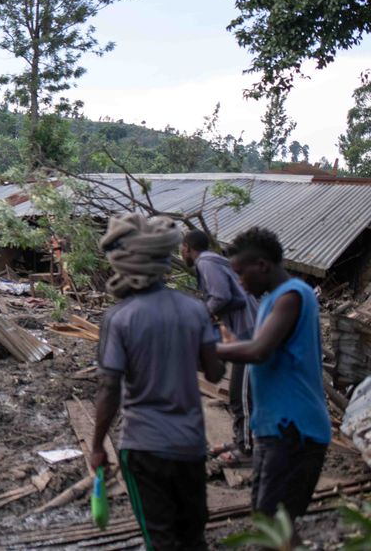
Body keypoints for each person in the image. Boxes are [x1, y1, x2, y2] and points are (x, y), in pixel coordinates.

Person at [91, 213, 224, 551]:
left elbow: (109, 389)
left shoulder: (119, 318)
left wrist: (96, 446)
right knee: (193, 537)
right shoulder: (195, 310)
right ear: (165, 261)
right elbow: (214, 374)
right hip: (191, 445)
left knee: (160, 539)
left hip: (145, 445)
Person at [218, 226, 330, 521]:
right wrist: (233, 345)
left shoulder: (292, 296)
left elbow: (259, 351)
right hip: (274, 429)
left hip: (295, 429)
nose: (239, 284)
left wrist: (207, 349)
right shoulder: (271, 299)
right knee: (267, 520)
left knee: (275, 524)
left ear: (262, 265)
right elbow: (264, 346)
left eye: (241, 274)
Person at [182, 229, 257, 461]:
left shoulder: (205, 262)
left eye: (181, 248)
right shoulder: (216, 261)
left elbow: (221, 296)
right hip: (247, 330)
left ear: (187, 247)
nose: (181, 252)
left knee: (241, 395)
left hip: (250, 334)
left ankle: (245, 450)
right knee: (243, 393)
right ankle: (242, 440)